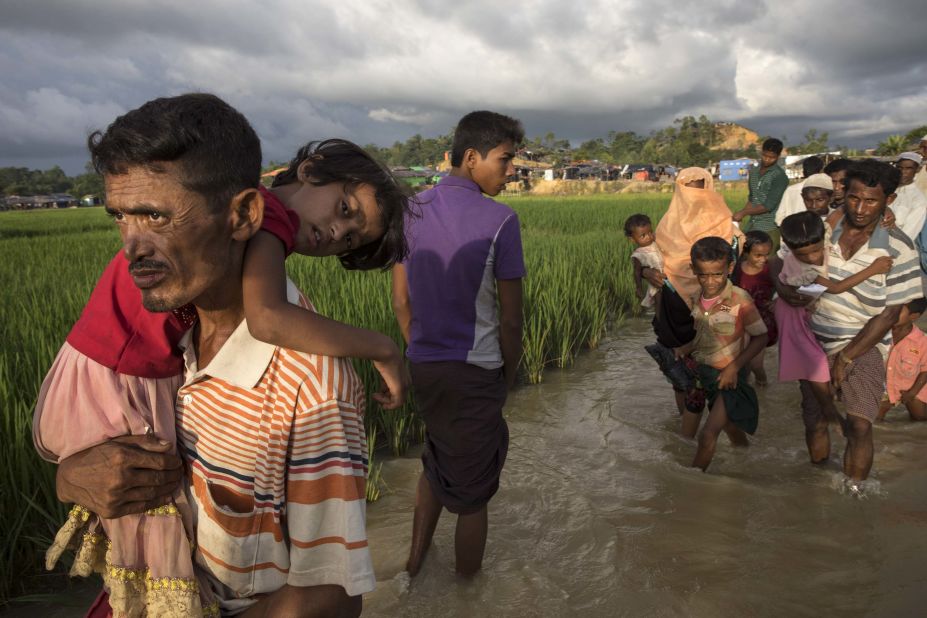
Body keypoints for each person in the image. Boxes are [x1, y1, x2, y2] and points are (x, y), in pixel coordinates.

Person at [37, 93, 383, 616]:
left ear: (245, 213)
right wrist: (71, 475)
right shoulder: (168, 334)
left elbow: (330, 594)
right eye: (122, 218)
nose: (132, 247)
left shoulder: (313, 388)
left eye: (156, 216)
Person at [392, 110, 525, 577]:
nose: (511, 173)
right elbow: (511, 320)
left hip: (424, 365)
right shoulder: (502, 220)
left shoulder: (409, 211)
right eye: (505, 160)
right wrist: (506, 375)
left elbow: (401, 301)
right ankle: (468, 595)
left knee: (436, 459)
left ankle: (413, 566)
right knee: (473, 497)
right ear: (472, 157)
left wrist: (420, 351)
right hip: (476, 371)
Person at [777, 160, 921, 485]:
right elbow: (785, 265)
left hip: (864, 344)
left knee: (859, 425)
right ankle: (817, 488)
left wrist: (847, 356)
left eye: (871, 201)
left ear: (889, 201)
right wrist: (784, 290)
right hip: (812, 342)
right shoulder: (824, 229)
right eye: (854, 198)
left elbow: (887, 316)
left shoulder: (900, 249)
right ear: (843, 194)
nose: (860, 208)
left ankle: (854, 493)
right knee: (815, 421)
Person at [773, 212, 893, 446]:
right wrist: (873, 269)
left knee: (813, 364)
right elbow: (836, 288)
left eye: (816, 250)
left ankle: (829, 412)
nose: (812, 257)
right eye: (803, 254)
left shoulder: (824, 231)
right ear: (790, 249)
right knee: (814, 364)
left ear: (824, 237)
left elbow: (839, 212)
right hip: (792, 315)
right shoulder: (801, 269)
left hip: (802, 311)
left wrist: (883, 215)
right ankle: (830, 413)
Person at [644, 167, 744, 435]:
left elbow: (733, 266)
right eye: (688, 191)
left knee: (713, 369)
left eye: (699, 189)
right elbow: (647, 258)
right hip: (673, 303)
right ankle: (688, 431)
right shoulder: (667, 224)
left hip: (711, 305)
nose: (694, 198)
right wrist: (646, 272)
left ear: (709, 189)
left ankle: (711, 433)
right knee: (681, 376)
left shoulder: (725, 223)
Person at [672, 237, 767, 471]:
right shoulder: (696, 298)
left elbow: (761, 337)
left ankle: (692, 483)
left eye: (717, 274)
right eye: (703, 275)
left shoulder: (739, 299)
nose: (710, 281)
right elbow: (701, 334)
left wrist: (734, 368)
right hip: (703, 374)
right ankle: (746, 458)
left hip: (729, 377)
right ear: (694, 270)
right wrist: (685, 349)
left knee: (708, 435)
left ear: (730, 268)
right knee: (730, 427)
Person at [732, 230, 777, 386]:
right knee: (741, 361)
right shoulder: (736, 269)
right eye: (758, 255)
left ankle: (762, 382)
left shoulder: (771, 269)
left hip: (762, 321)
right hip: (740, 320)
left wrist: (777, 302)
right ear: (745, 253)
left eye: (767, 255)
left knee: (755, 364)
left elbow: (788, 286)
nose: (763, 259)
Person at [877, 297, 927, 422]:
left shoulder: (922, 341)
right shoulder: (879, 333)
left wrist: (912, 393)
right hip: (885, 387)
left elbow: (925, 369)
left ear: (913, 316)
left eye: (897, 311)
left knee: (920, 418)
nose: (891, 313)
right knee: (874, 420)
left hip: (911, 386)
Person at [733, 138, 789, 250]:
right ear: (761, 152)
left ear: (778, 157)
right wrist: (740, 216)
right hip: (752, 226)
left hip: (769, 227)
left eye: (771, 157)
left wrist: (743, 212)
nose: (767, 159)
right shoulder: (753, 172)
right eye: (765, 155)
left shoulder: (779, 176)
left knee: (768, 262)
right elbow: (752, 198)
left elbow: (769, 206)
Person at [624, 213, 663, 309]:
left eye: (650, 232)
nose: (649, 237)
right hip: (656, 282)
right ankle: (660, 321)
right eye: (643, 235)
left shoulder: (656, 242)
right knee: (659, 302)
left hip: (668, 277)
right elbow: (637, 272)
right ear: (632, 239)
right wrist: (639, 288)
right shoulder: (638, 254)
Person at [887, 152, 927, 240]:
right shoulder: (886, 189)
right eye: (899, 168)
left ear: (918, 169)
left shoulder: (918, 200)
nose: (902, 172)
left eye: (908, 168)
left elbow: (908, 234)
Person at [775, 156, 824, 226]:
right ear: (821, 172)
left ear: (803, 172)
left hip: (792, 234)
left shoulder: (790, 190)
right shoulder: (824, 192)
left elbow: (779, 218)